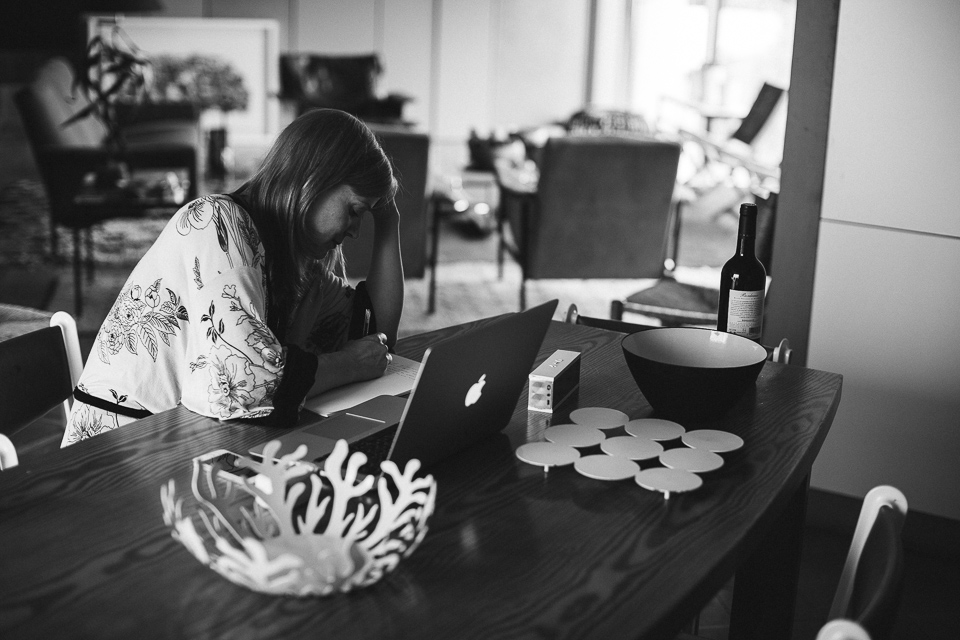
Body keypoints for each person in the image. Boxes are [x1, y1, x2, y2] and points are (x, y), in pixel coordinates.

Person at [62, 109, 403, 446]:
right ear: (315, 181)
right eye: (355, 211)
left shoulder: (298, 260)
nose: (357, 231)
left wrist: (389, 223)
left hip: (184, 440)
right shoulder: (218, 224)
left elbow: (375, 339)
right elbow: (245, 381)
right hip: (116, 449)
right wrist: (346, 366)